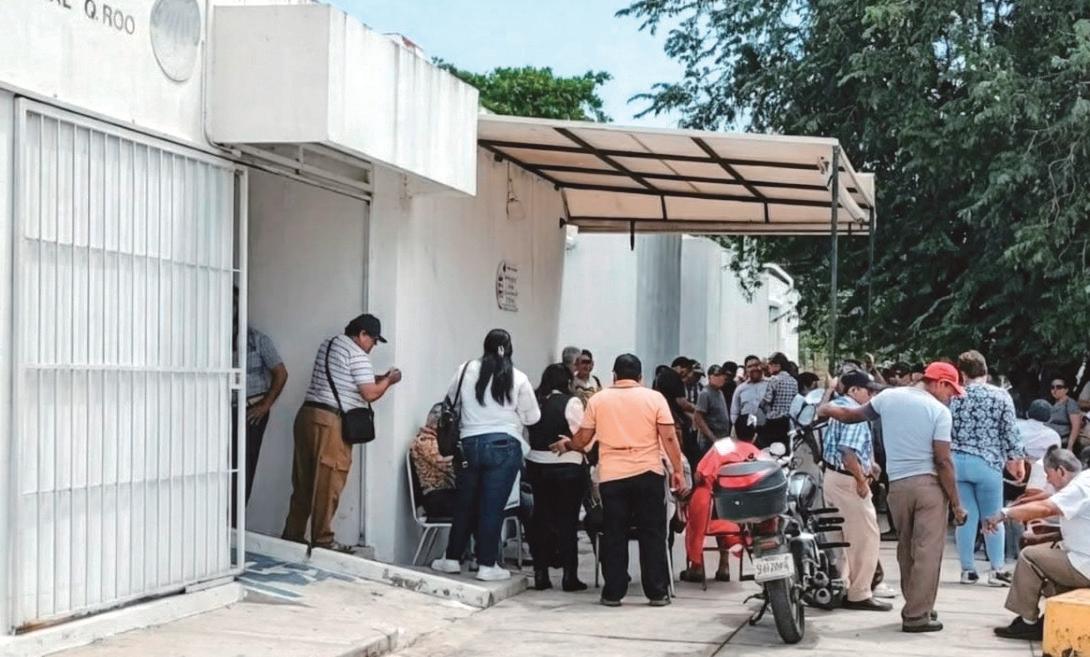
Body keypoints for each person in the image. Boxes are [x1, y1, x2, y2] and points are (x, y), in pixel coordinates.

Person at [819, 361, 968, 633]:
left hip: (898, 487)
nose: (952, 397)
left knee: (906, 549)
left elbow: (850, 416)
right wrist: (957, 504)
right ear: (940, 383)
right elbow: (943, 461)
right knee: (927, 552)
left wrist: (827, 407)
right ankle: (917, 615)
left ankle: (917, 603)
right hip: (929, 487)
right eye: (951, 390)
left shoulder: (888, 397)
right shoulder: (939, 412)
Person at [554, 354, 687, 607]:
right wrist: (677, 470)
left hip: (613, 476)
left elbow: (583, 439)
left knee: (615, 533)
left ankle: (613, 593)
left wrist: (567, 444)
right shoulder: (655, 398)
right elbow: (669, 438)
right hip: (648, 472)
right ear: (640, 377)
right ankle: (657, 592)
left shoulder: (598, 400)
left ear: (614, 376)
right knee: (652, 532)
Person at [283, 314, 401, 552]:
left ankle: (293, 536)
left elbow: (346, 379)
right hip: (330, 422)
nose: (373, 346)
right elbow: (369, 393)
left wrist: (378, 378)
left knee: (304, 482)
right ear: (362, 334)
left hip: (307, 416)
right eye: (374, 340)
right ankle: (323, 540)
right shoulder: (358, 355)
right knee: (329, 481)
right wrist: (389, 381)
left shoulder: (330, 344)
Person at [431, 329, 541, 582]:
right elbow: (533, 417)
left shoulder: (465, 370)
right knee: (492, 507)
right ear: (509, 349)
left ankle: (451, 559)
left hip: (468, 445)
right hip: (504, 446)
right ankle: (487, 565)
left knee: (465, 503)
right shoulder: (519, 377)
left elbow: (451, 401)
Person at [986, 448, 1088, 640]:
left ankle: (1028, 622)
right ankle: (1047, 617)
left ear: (1061, 471)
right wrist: (1047, 535)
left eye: (1048, 475)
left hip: (1085, 565)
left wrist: (1004, 513)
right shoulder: (1085, 481)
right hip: (1083, 558)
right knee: (1046, 554)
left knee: (1029, 557)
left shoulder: (1079, 487)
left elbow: (1045, 508)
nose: (1048, 481)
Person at [949, 350, 1025, 586]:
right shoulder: (1000, 395)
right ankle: (996, 570)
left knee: (965, 517)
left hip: (956, 462)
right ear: (985, 370)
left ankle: (967, 570)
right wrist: (1016, 459)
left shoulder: (953, 396)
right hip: (987, 462)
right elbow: (1010, 430)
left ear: (962, 374)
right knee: (992, 517)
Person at [820, 371, 891, 612]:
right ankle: (859, 593)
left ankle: (842, 586)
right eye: (868, 391)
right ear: (853, 390)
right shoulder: (854, 413)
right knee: (865, 538)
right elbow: (847, 452)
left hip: (832, 477)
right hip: (849, 481)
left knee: (839, 540)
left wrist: (869, 464)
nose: (872, 396)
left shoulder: (835, 406)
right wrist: (861, 480)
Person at [526, 363, 588, 592]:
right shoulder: (571, 402)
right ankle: (569, 576)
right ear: (567, 381)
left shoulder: (535, 402)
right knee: (567, 521)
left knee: (541, 519)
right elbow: (583, 436)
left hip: (536, 465)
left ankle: (541, 573)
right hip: (567, 465)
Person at [681, 433, 762, 584]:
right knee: (725, 508)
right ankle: (724, 566)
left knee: (704, 501)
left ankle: (697, 566)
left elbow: (700, 475)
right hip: (741, 516)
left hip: (713, 511)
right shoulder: (757, 453)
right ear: (754, 437)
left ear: (734, 433)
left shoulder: (722, 446)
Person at [233, 302, 289, 509]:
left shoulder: (257, 340)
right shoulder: (214, 339)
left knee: (244, 466)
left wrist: (265, 405)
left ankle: (236, 517)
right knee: (222, 465)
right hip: (223, 411)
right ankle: (221, 519)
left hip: (251, 411)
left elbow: (281, 373)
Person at [409, 403, 456, 518]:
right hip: (436, 497)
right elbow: (445, 465)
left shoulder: (439, 440)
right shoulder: (425, 440)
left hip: (445, 494)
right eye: (434, 413)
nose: (437, 416)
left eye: (441, 414)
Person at [759, 352, 798, 450]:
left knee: (770, 450)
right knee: (783, 449)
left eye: (770, 365)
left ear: (777, 365)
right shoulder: (794, 381)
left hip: (773, 421)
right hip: (787, 422)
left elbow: (767, 400)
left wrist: (761, 405)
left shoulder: (774, 380)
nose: (768, 367)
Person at [731, 355, 768, 438]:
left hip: (767, 431)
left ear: (761, 366)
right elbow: (734, 412)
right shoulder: (740, 389)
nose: (754, 368)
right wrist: (738, 429)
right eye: (750, 366)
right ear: (746, 370)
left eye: (756, 365)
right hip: (746, 433)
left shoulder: (770, 384)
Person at [1047, 377, 1083, 450]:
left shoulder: (1070, 404)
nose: (1055, 390)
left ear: (1066, 390)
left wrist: (1070, 446)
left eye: (1059, 387)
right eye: (1052, 387)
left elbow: (1076, 427)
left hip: (1062, 442)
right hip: (1048, 440)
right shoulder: (1050, 402)